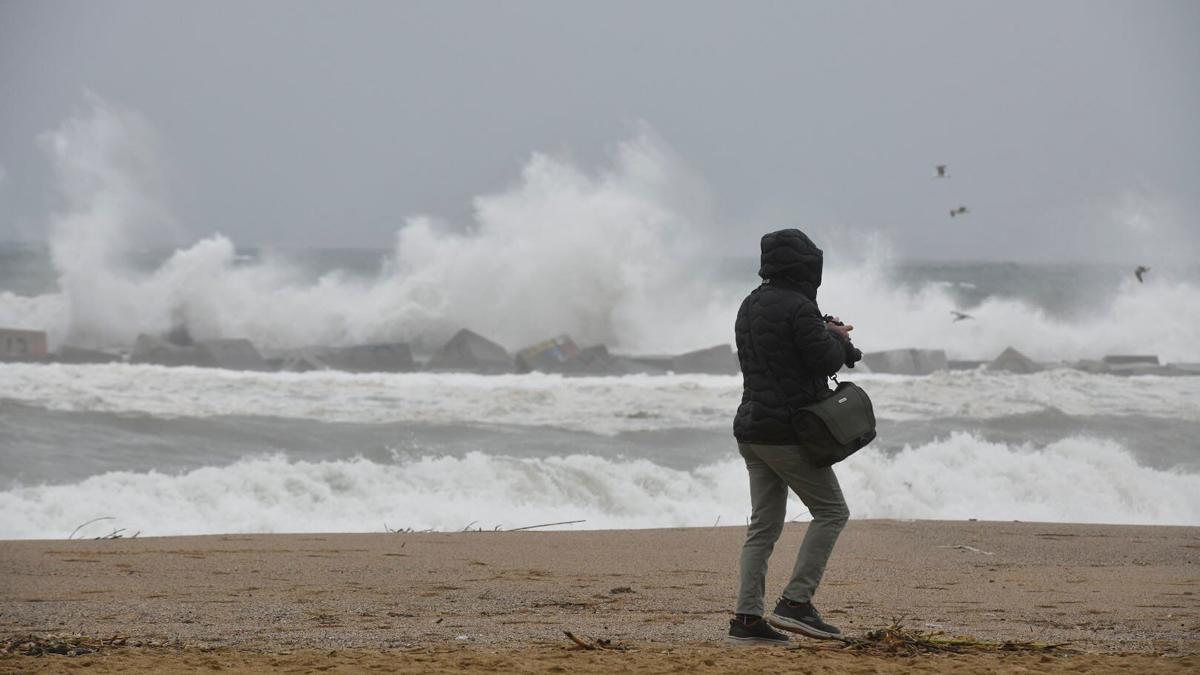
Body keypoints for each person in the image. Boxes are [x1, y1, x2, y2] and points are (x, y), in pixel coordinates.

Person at [725, 228, 861, 645]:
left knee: (763, 527)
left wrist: (823, 329)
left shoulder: (750, 304)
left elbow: (778, 350)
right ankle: (796, 604)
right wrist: (838, 339)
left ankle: (747, 621)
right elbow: (821, 360)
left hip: (751, 429)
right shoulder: (800, 307)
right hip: (786, 433)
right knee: (832, 512)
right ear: (805, 267)